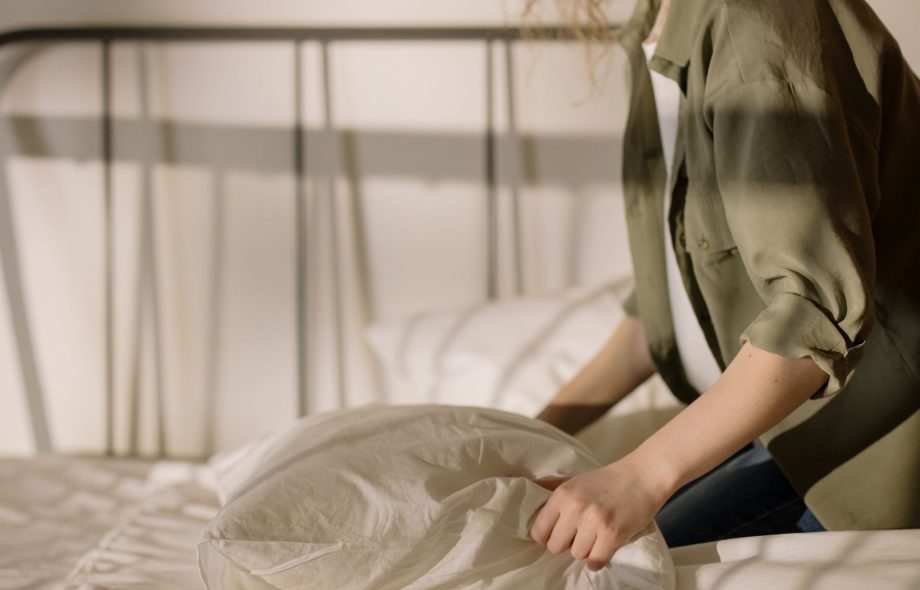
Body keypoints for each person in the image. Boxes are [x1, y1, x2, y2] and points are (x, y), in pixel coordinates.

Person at [525, 0, 920, 571]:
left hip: (879, 448)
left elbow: (812, 311)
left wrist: (640, 476)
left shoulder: (755, 15)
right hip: (786, 438)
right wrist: (525, 436)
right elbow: (661, 318)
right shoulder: (658, 27)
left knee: (601, 573)